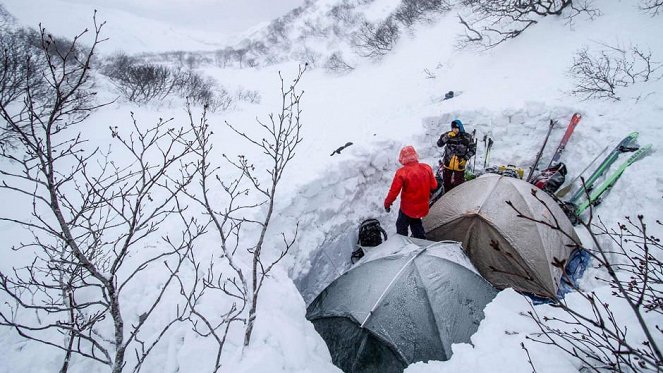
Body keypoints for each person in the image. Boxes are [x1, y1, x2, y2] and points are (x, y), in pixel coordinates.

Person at [384, 145, 438, 239]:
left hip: (407, 208)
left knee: (401, 226)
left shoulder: (402, 172)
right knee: (416, 223)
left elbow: (393, 192)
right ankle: (420, 242)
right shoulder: (426, 168)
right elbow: (434, 186)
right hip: (422, 207)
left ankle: (402, 243)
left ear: (402, 158)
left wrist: (387, 204)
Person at [436, 119, 476, 192]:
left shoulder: (467, 137)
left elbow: (473, 150)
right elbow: (439, 144)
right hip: (447, 165)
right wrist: (447, 137)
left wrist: (465, 158)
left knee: (458, 186)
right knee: (447, 184)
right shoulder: (448, 134)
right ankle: (447, 198)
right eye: (453, 128)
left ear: (460, 127)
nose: (455, 130)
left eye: (457, 128)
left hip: (459, 165)